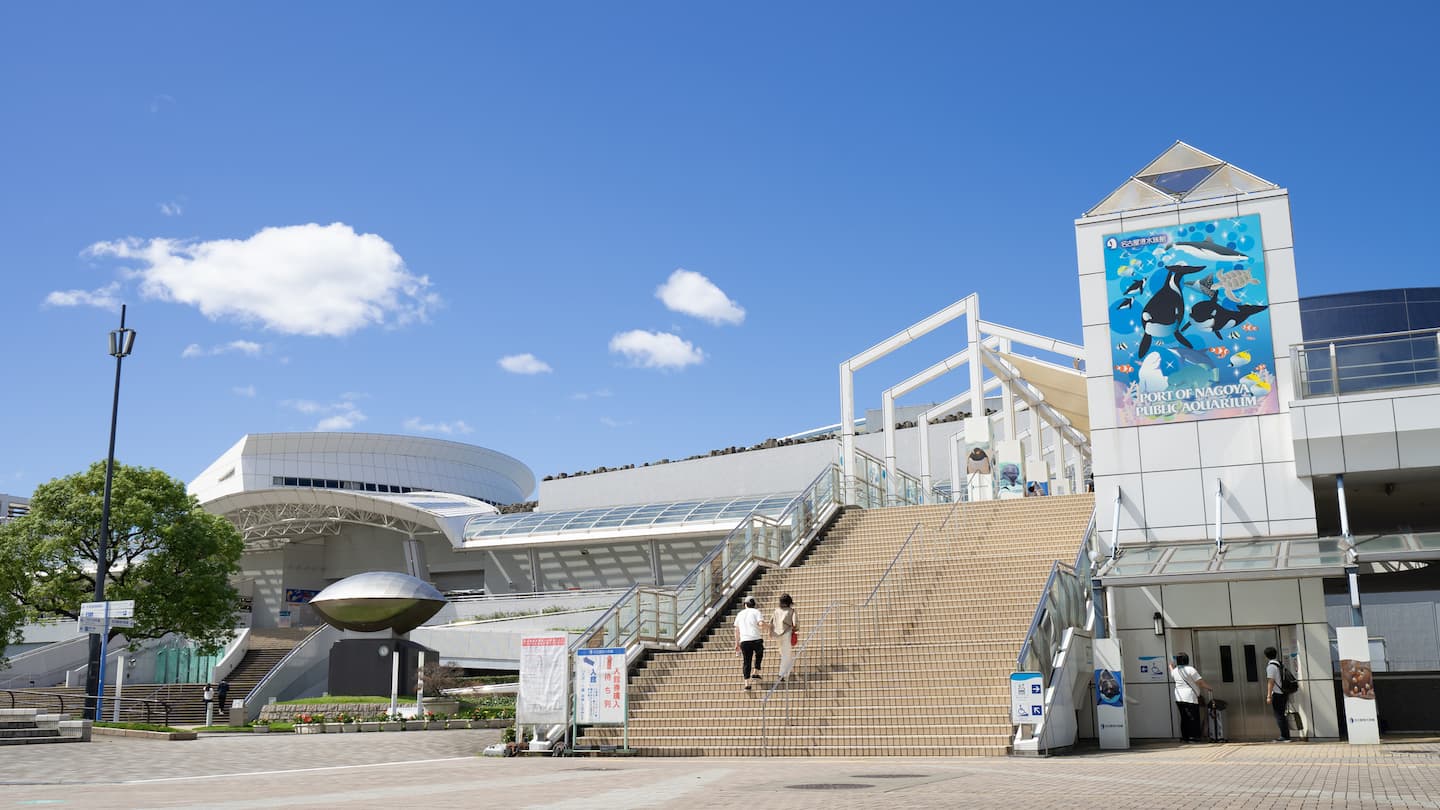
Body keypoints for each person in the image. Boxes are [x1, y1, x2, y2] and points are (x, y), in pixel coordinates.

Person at [1170, 653, 1212, 743]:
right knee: (1193, 717)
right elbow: (1200, 682)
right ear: (1187, 660)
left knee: (1184, 717)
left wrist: (1170, 665)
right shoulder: (1190, 669)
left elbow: (1172, 671)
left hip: (1178, 698)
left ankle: (1185, 737)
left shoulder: (1175, 671)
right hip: (1189, 698)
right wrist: (1209, 687)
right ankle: (1194, 737)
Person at [734, 596, 766, 690]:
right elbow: (761, 624)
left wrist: (737, 643)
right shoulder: (756, 612)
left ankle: (747, 684)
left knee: (746, 661)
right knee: (759, 654)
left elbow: (736, 630)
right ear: (754, 604)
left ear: (745, 604)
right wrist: (769, 627)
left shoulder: (739, 614)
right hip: (756, 639)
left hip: (744, 641)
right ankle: (756, 672)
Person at [1264, 646, 1293, 742]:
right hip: (1283, 693)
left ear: (1266, 656)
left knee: (1279, 715)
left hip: (1277, 694)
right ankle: (1286, 735)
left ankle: (1284, 736)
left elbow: (1271, 682)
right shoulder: (1280, 664)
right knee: (1281, 715)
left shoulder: (1271, 667)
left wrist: (1268, 696)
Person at [771, 593, 799, 681]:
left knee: (784, 653)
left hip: (776, 634)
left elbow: (771, 622)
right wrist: (795, 629)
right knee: (786, 654)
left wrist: (770, 632)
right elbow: (795, 624)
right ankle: (781, 674)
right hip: (786, 633)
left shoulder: (776, 610)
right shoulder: (792, 611)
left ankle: (788, 671)